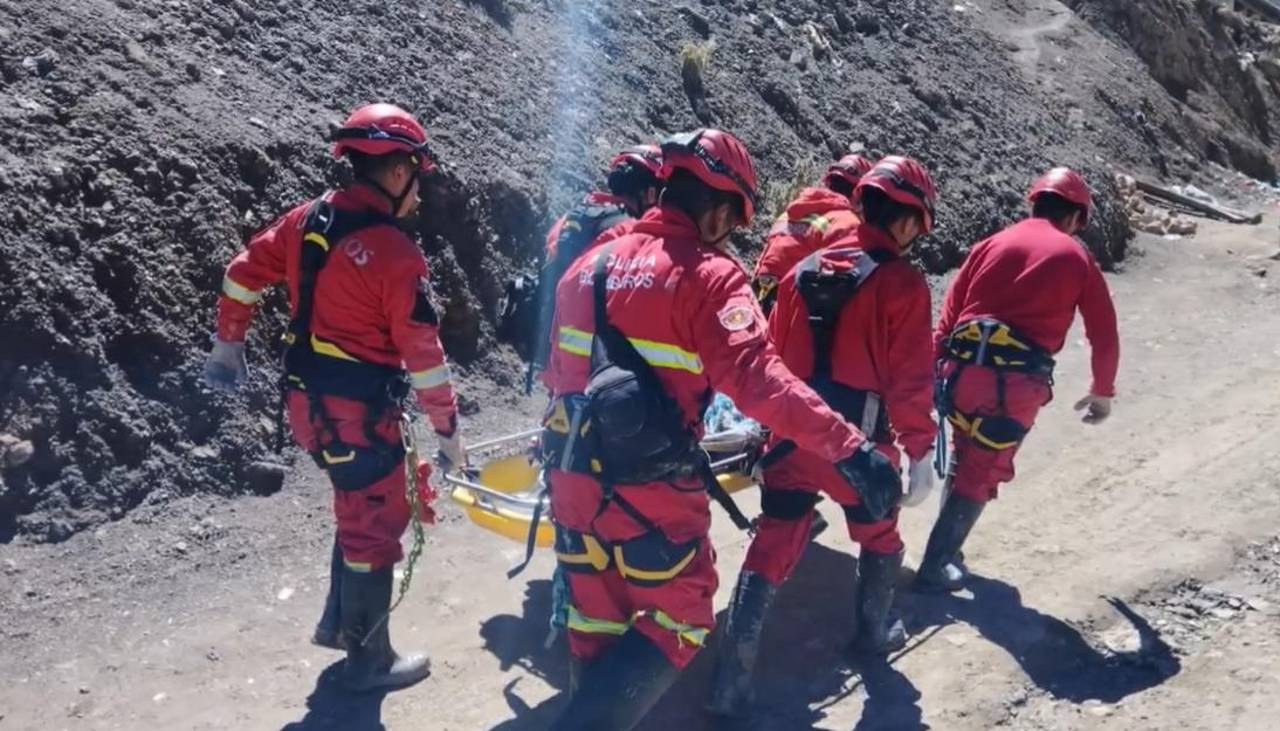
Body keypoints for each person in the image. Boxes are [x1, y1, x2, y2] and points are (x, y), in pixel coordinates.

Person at [541, 129, 902, 730]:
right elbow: (761, 382)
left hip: (572, 474)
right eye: (733, 219)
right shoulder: (710, 276)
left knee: (594, 625)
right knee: (680, 618)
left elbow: (558, 374)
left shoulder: (586, 267)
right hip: (649, 489)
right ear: (718, 208)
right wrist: (851, 447)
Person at [203, 103, 464, 691]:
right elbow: (423, 356)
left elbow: (242, 272)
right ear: (397, 172)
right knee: (375, 521)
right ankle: (369, 661)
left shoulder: (307, 220)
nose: (419, 189)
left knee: (357, 504)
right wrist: (448, 432)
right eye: (416, 174)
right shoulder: (397, 256)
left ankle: (337, 625)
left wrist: (229, 346)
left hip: (307, 405)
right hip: (356, 415)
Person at [708, 156, 939, 715]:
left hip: (793, 440)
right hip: (860, 452)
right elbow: (909, 383)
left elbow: (773, 367)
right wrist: (921, 452)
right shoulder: (903, 284)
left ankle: (728, 683)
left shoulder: (799, 273)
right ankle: (873, 633)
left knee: (771, 545)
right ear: (907, 221)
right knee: (880, 539)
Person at [917, 167, 1120, 593]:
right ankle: (935, 564)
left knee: (964, 454)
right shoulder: (1077, 257)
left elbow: (949, 316)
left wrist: (934, 372)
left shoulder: (990, 243)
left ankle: (948, 551)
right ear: (1076, 217)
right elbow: (1103, 334)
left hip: (958, 376)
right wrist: (1102, 392)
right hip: (1011, 390)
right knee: (981, 468)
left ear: (1034, 203)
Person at [502, 145, 664, 386]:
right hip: (601, 370)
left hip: (555, 358)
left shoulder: (571, 219)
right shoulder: (631, 234)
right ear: (650, 194)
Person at [751, 154, 875, 314]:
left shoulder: (788, 214)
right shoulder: (847, 223)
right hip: (793, 308)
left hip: (759, 299)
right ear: (860, 197)